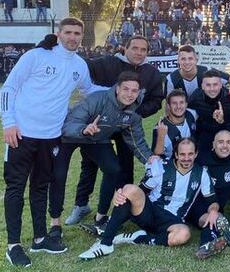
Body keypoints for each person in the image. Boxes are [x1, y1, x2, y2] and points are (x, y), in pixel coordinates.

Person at [0, 18, 95, 266]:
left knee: (41, 187)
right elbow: (8, 88)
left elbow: (89, 91)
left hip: (51, 136)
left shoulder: (80, 65)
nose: (73, 37)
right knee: (16, 189)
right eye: (68, 32)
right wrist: (9, 122)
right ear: (58, 33)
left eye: (77, 33)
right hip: (21, 134)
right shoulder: (36, 56)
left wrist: (121, 89)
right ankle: (13, 245)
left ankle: (40, 238)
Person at [78, 138, 230, 260]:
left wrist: (214, 210)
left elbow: (212, 200)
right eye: (182, 154)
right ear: (176, 154)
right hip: (150, 211)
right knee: (129, 189)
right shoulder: (161, 167)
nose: (186, 158)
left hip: (173, 219)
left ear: (196, 154)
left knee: (184, 234)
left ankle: (138, 238)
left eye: (190, 154)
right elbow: (139, 191)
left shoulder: (201, 173)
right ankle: (106, 243)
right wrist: (121, 193)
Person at [65, 35, 164, 226]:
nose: (139, 53)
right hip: (99, 126)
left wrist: (134, 112)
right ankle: (81, 204)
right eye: (134, 48)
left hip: (126, 124)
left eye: (143, 50)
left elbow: (157, 99)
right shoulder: (108, 63)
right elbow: (83, 66)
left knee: (124, 166)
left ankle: (122, 204)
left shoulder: (151, 73)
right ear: (124, 49)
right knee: (90, 165)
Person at [57, 72, 159, 237]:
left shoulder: (133, 112)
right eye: (126, 89)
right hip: (70, 136)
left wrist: (149, 158)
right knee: (58, 174)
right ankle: (55, 224)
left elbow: (136, 141)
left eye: (134, 91)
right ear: (117, 89)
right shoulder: (97, 99)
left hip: (96, 139)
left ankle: (101, 218)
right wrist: (84, 129)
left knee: (113, 169)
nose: (130, 94)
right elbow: (69, 124)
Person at [188, 69, 230, 157]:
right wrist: (195, 138)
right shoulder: (196, 97)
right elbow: (185, 111)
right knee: (199, 158)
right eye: (208, 85)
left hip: (229, 132)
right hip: (207, 132)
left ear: (221, 85)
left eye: (215, 84)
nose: (212, 89)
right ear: (202, 86)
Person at [165, 45, 230, 97]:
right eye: (183, 59)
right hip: (184, 112)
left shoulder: (207, 70)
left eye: (190, 58)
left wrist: (229, 94)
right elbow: (169, 104)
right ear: (178, 61)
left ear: (196, 60)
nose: (187, 62)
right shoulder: (171, 79)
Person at [152, 89, 197, 160]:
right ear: (168, 106)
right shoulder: (160, 127)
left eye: (181, 102)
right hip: (171, 166)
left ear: (186, 104)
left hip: (191, 161)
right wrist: (161, 137)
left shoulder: (192, 114)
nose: (178, 106)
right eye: (174, 103)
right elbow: (157, 155)